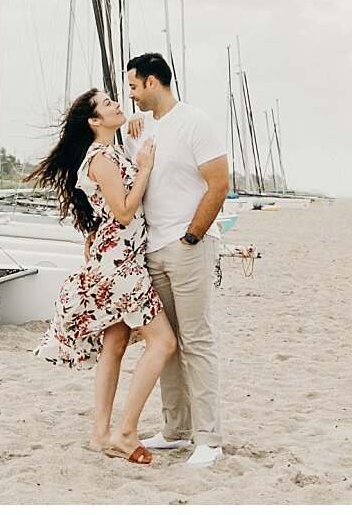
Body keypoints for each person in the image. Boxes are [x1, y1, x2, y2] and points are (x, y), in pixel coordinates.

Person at [31, 88, 178, 465]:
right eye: (108, 103)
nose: (117, 104)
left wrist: (133, 134)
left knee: (114, 346)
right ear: (95, 121)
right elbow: (125, 211)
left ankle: (100, 435)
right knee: (163, 343)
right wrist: (144, 167)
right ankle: (126, 432)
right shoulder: (100, 157)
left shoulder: (111, 151)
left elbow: (110, 213)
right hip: (120, 266)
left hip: (117, 258)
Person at [124, 52, 230, 467]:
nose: (130, 95)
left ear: (152, 82)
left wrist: (193, 235)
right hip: (153, 249)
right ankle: (176, 429)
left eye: (134, 86)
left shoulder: (195, 121)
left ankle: (209, 437)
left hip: (188, 246)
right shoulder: (142, 127)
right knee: (164, 344)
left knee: (197, 339)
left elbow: (219, 184)